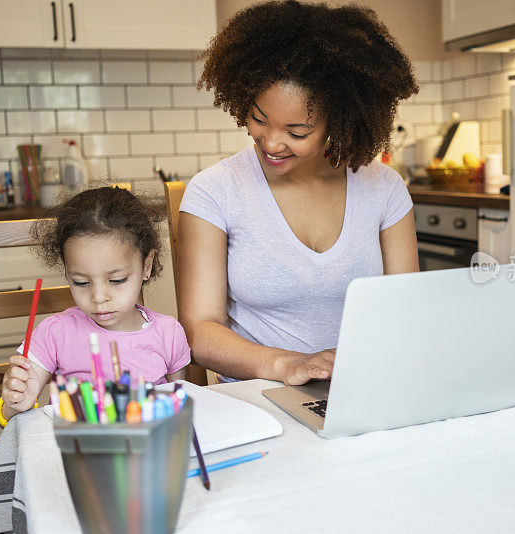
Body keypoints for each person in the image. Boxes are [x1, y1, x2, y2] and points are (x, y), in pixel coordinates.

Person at [178, 0, 420, 386]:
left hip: (363, 390)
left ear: (338, 124)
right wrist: (287, 365)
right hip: (257, 400)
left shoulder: (384, 189)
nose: (271, 143)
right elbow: (199, 332)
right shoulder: (214, 191)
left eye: (297, 133)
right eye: (258, 118)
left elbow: (407, 312)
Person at [0, 186, 190, 421]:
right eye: (81, 282)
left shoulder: (169, 334)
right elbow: (10, 415)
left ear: (147, 265)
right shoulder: (55, 334)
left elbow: (179, 410)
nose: (99, 297)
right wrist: (15, 401)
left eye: (117, 280)